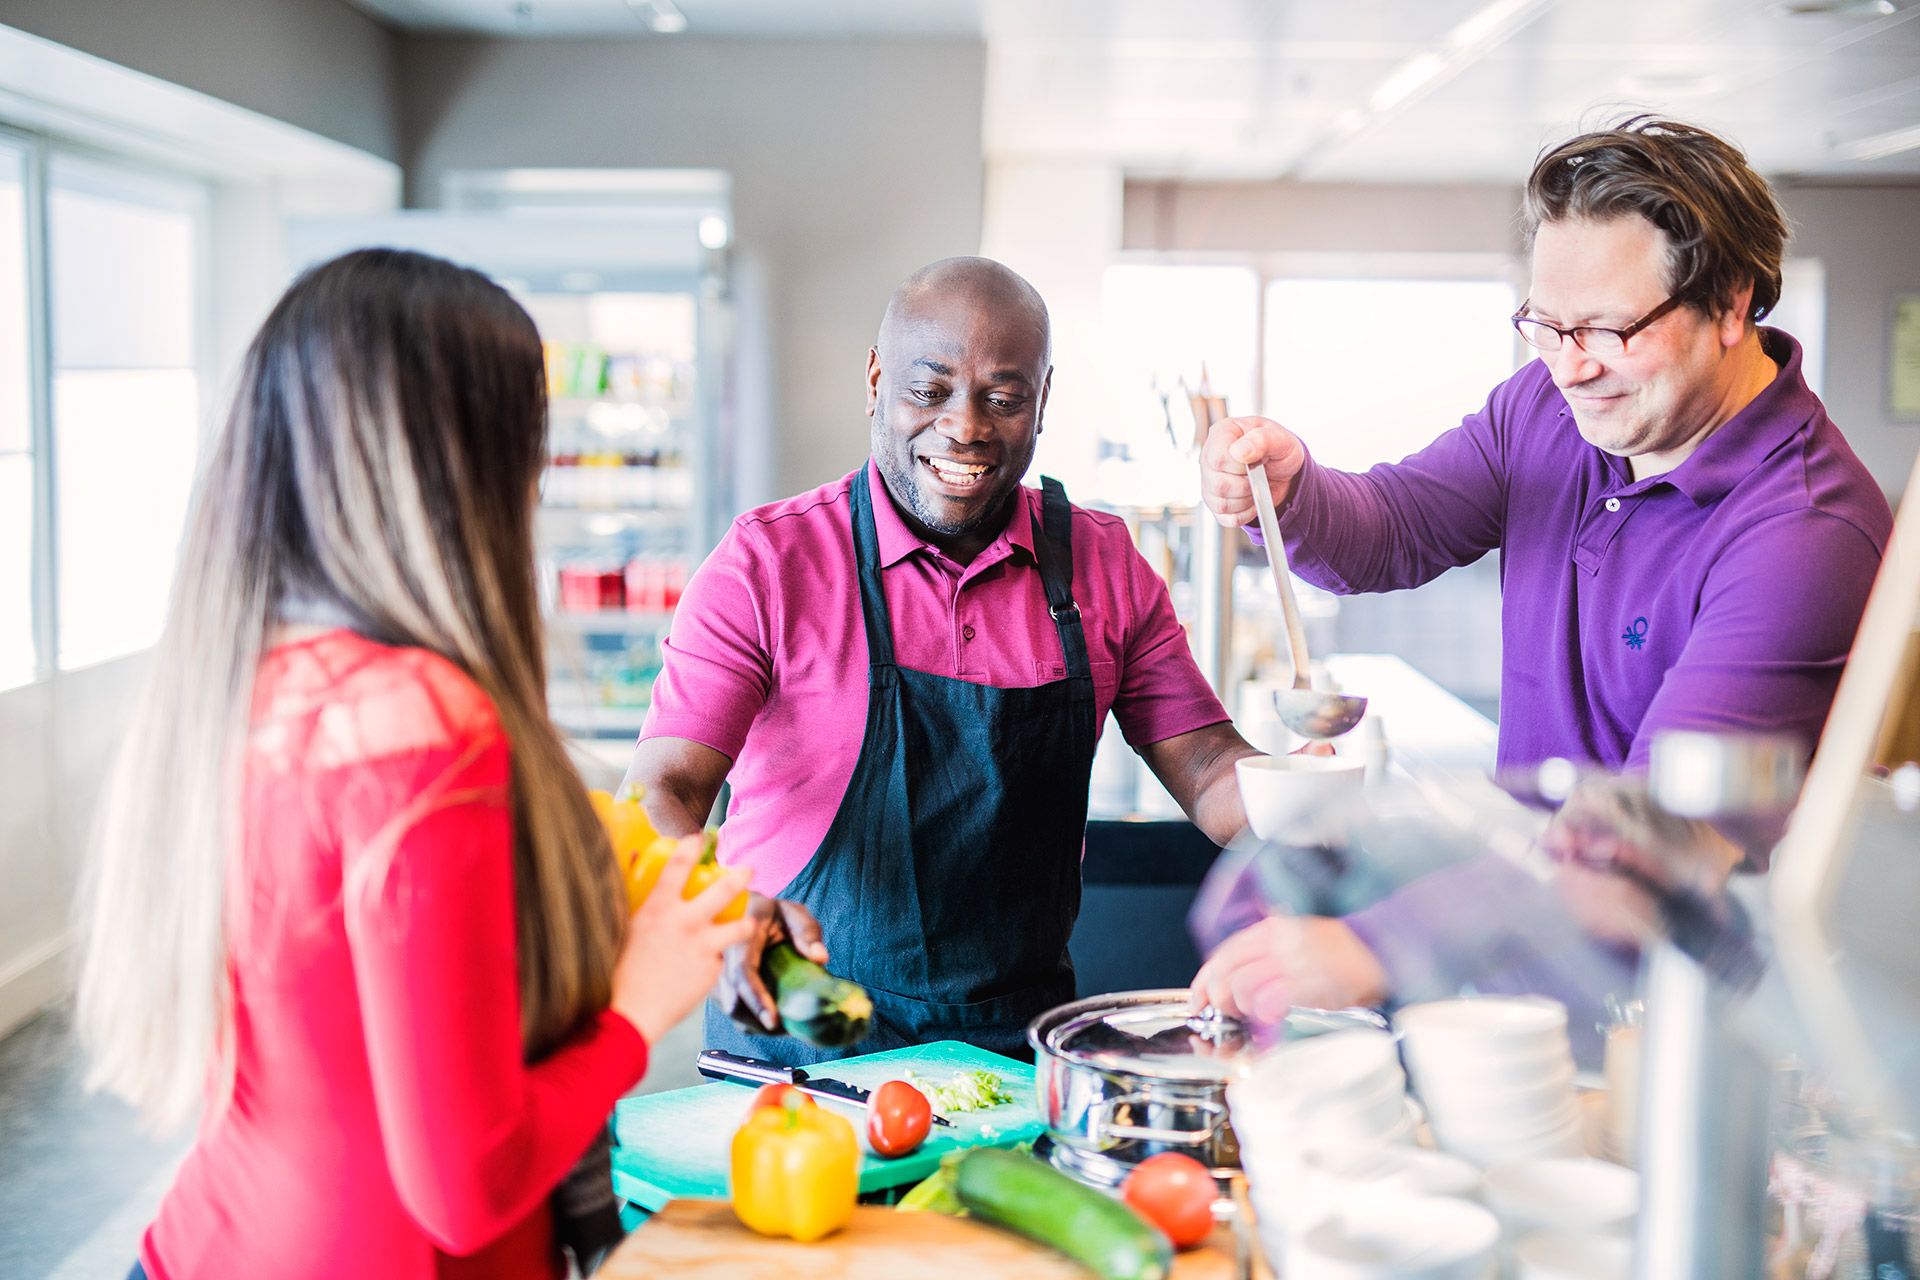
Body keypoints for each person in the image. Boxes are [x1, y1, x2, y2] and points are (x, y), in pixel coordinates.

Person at [75, 249, 753, 1280]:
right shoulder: (422, 720)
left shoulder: (248, 678)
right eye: (530, 433)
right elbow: (466, 1183)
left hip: (213, 1241)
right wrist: (636, 1002)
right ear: (461, 460)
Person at [1191, 117, 1893, 1021]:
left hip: (1687, 1026)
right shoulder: (1554, 406)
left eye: (1608, 327)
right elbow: (1399, 525)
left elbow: (1649, 843)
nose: (1571, 366)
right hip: (1519, 969)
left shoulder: (1805, 533)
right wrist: (1291, 494)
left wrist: (1376, 942)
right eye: (1547, 325)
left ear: (1730, 304)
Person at [626, 256, 1260, 1066]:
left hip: (1017, 1053)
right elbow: (657, 789)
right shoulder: (768, 563)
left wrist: (1312, 805)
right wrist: (719, 905)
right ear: (876, 379)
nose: (966, 427)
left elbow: (1208, 768)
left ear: (1042, 402)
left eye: (1003, 398)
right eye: (930, 391)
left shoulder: (1104, 563)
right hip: (796, 1045)